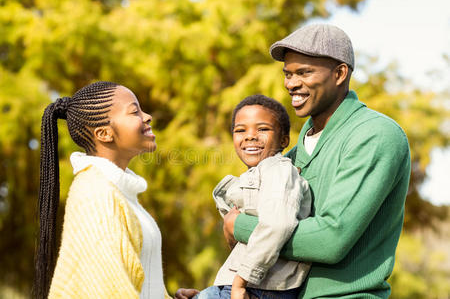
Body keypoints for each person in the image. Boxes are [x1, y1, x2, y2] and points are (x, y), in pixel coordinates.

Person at [222, 24, 411, 298]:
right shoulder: (291, 156)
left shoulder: (375, 134)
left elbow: (331, 239)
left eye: (304, 72)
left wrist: (238, 226)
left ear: (339, 73)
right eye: (287, 74)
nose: (291, 83)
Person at [33, 81, 172, 299]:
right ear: (104, 133)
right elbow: (108, 291)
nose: (147, 117)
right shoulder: (95, 193)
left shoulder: (118, 192)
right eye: (135, 111)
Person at [183, 95, 312, 299]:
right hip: (244, 285)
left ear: (284, 140)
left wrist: (240, 282)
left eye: (262, 129)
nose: (250, 136)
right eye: (240, 130)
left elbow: (277, 225)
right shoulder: (258, 174)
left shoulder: (279, 171)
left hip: (260, 288)